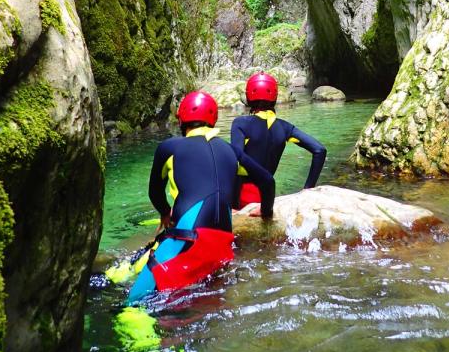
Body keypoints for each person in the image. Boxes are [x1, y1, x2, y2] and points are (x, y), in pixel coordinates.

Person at [127, 90, 275, 302]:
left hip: (189, 238)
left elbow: (155, 192)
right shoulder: (232, 151)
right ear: (213, 120)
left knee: (133, 303)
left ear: (181, 119)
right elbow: (267, 181)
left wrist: (164, 213)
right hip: (223, 245)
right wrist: (266, 212)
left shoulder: (169, 148)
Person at [230, 72, 327, 210]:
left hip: (243, 198)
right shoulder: (285, 127)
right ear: (274, 97)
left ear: (249, 96)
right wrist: (308, 189)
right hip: (267, 197)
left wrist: (232, 207)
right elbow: (320, 150)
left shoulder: (240, 124)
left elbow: (235, 165)